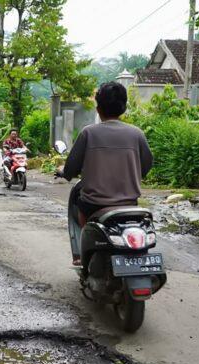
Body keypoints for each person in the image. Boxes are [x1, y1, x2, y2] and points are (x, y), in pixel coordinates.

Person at [55, 81, 153, 266]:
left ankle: (84, 258)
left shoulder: (88, 133)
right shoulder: (137, 133)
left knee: (80, 207)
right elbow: (147, 165)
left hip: (95, 204)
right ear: (124, 107)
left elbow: (71, 167)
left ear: (98, 108)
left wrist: (63, 172)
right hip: (129, 203)